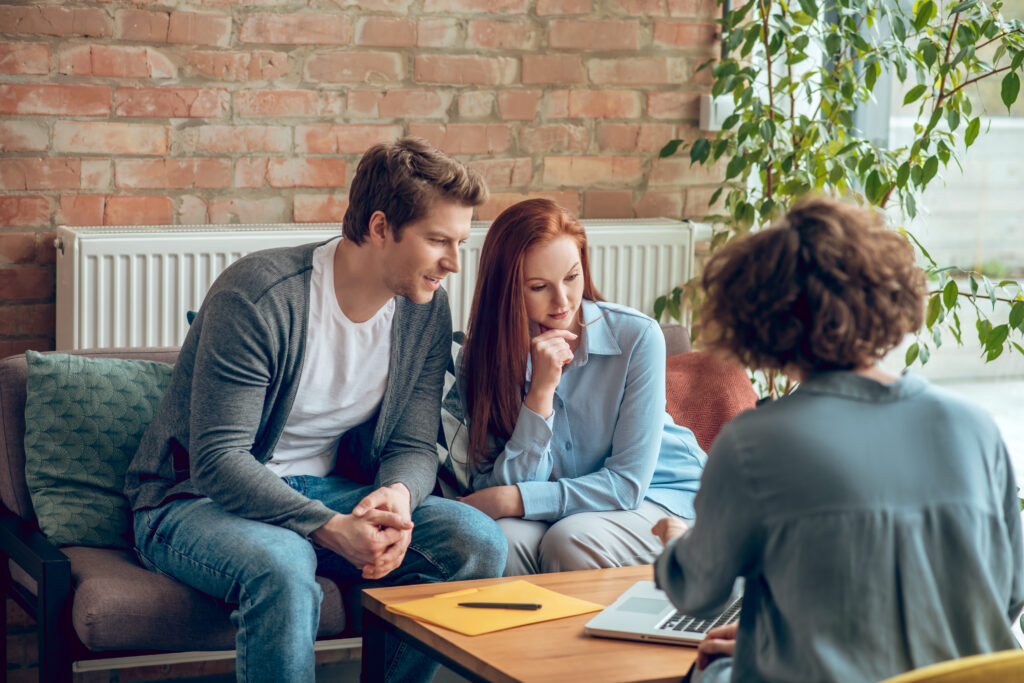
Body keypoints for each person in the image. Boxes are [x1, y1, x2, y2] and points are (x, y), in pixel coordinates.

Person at [124, 137, 508, 683]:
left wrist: (396, 498)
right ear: (380, 228)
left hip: (326, 490)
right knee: (283, 562)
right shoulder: (261, 295)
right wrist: (328, 527)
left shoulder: (424, 308)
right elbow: (219, 459)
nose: (453, 262)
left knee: (474, 540)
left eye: (460, 242)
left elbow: (413, 445)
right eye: (438, 240)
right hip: (194, 501)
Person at [652, 197, 1024, 682]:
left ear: (762, 319)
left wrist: (676, 544)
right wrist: (773, 636)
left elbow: (698, 591)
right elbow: (1010, 593)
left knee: (706, 671)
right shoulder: (973, 426)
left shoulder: (756, 444)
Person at [456, 198, 707, 576]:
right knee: (500, 539)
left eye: (572, 278)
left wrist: (513, 498)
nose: (563, 302)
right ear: (506, 290)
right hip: (571, 508)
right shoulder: (480, 358)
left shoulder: (638, 337)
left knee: (570, 539)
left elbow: (626, 485)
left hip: (666, 497)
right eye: (539, 286)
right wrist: (539, 393)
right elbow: (498, 488)